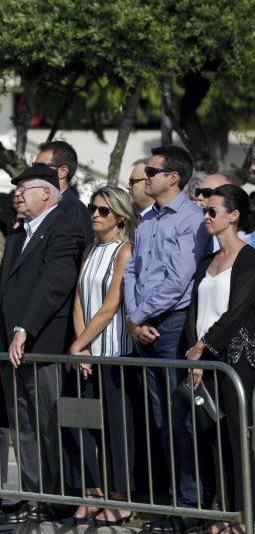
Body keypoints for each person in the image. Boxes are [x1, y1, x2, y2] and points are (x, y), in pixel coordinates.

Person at [0, 165, 85, 522]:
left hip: (42, 344)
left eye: (24, 188)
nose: (17, 194)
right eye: (15, 188)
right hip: (10, 349)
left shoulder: (65, 226)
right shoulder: (18, 234)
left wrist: (24, 328)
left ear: (47, 193)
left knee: (49, 423)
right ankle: (35, 496)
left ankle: (59, 497)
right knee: (23, 426)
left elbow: (55, 283)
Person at [122, 146, 209, 533]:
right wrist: (133, 318)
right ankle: (172, 500)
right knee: (159, 420)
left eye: (152, 171)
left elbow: (179, 279)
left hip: (173, 325)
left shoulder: (191, 219)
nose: (146, 178)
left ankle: (190, 505)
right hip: (144, 324)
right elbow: (131, 271)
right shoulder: (147, 219)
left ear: (173, 177)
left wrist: (139, 314)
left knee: (179, 419)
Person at [183, 185, 255, 534]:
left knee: (237, 438)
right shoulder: (205, 262)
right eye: (205, 210)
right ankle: (225, 513)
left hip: (236, 360)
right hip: (204, 362)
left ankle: (244, 517)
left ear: (234, 216)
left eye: (213, 211)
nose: (206, 216)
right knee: (211, 438)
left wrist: (203, 346)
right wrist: (193, 352)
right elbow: (193, 312)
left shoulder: (248, 257)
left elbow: (237, 311)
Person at [61, 186, 135, 526]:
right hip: (87, 350)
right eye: (93, 208)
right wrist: (81, 344)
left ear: (119, 216)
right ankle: (92, 493)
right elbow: (79, 298)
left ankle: (120, 498)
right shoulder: (91, 249)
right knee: (82, 424)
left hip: (113, 352)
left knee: (115, 429)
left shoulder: (124, 250)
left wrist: (81, 346)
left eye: (103, 210)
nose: (95, 214)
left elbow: (110, 307)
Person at [34, 140, 93, 244]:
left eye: (40, 166)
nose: (33, 172)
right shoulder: (36, 205)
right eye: (34, 166)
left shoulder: (73, 209)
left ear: (62, 171)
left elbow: (79, 253)